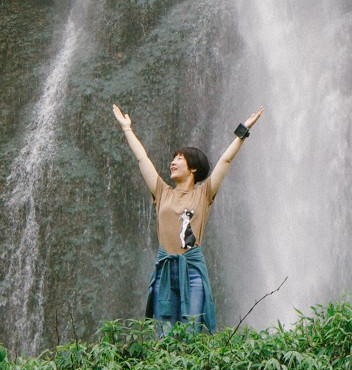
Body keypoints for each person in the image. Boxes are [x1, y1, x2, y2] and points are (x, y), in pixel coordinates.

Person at [111, 102, 264, 334]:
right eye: (174, 158)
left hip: (192, 269)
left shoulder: (204, 194)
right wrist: (127, 129)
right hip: (165, 268)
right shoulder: (162, 192)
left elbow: (225, 161)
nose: (173, 162)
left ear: (193, 168)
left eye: (179, 158)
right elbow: (143, 159)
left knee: (190, 329)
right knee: (165, 332)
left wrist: (243, 131)